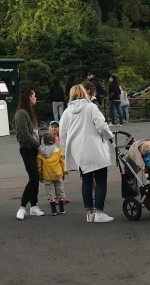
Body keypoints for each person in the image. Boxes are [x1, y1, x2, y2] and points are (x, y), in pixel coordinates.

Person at [59, 83, 115, 223]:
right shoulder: (91, 107)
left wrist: (65, 152)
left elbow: (62, 134)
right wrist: (109, 136)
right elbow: (101, 125)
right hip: (94, 148)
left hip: (78, 151)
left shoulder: (67, 112)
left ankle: (89, 213)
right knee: (101, 180)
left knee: (86, 181)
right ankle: (99, 212)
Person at [15, 89, 45, 219]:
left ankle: (34, 205)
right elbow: (25, 134)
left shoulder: (28, 112)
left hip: (32, 148)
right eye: (34, 96)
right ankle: (22, 207)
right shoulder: (21, 113)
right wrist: (39, 146)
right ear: (29, 98)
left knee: (35, 176)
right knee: (33, 177)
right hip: (27, 148)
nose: (35, 98)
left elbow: (34, 132)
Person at [37, 133, 69, 214]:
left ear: (44, 141)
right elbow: (62, 162)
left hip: (47, 175)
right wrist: (64, 172)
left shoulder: (41, 153)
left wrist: (40, 175)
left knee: (50, 193)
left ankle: (53, 210)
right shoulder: (58, 150)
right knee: (60, 191)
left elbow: (39, 166)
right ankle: (62, 209)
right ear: (54, 140)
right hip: (58, 174)